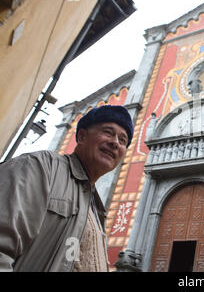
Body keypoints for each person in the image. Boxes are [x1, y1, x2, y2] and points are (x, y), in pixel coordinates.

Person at [0, 105, 134, 272]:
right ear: (82, 136)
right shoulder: (40, 167)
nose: (115, 142)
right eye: (108, 132)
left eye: (122, 140)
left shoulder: (96, 207)